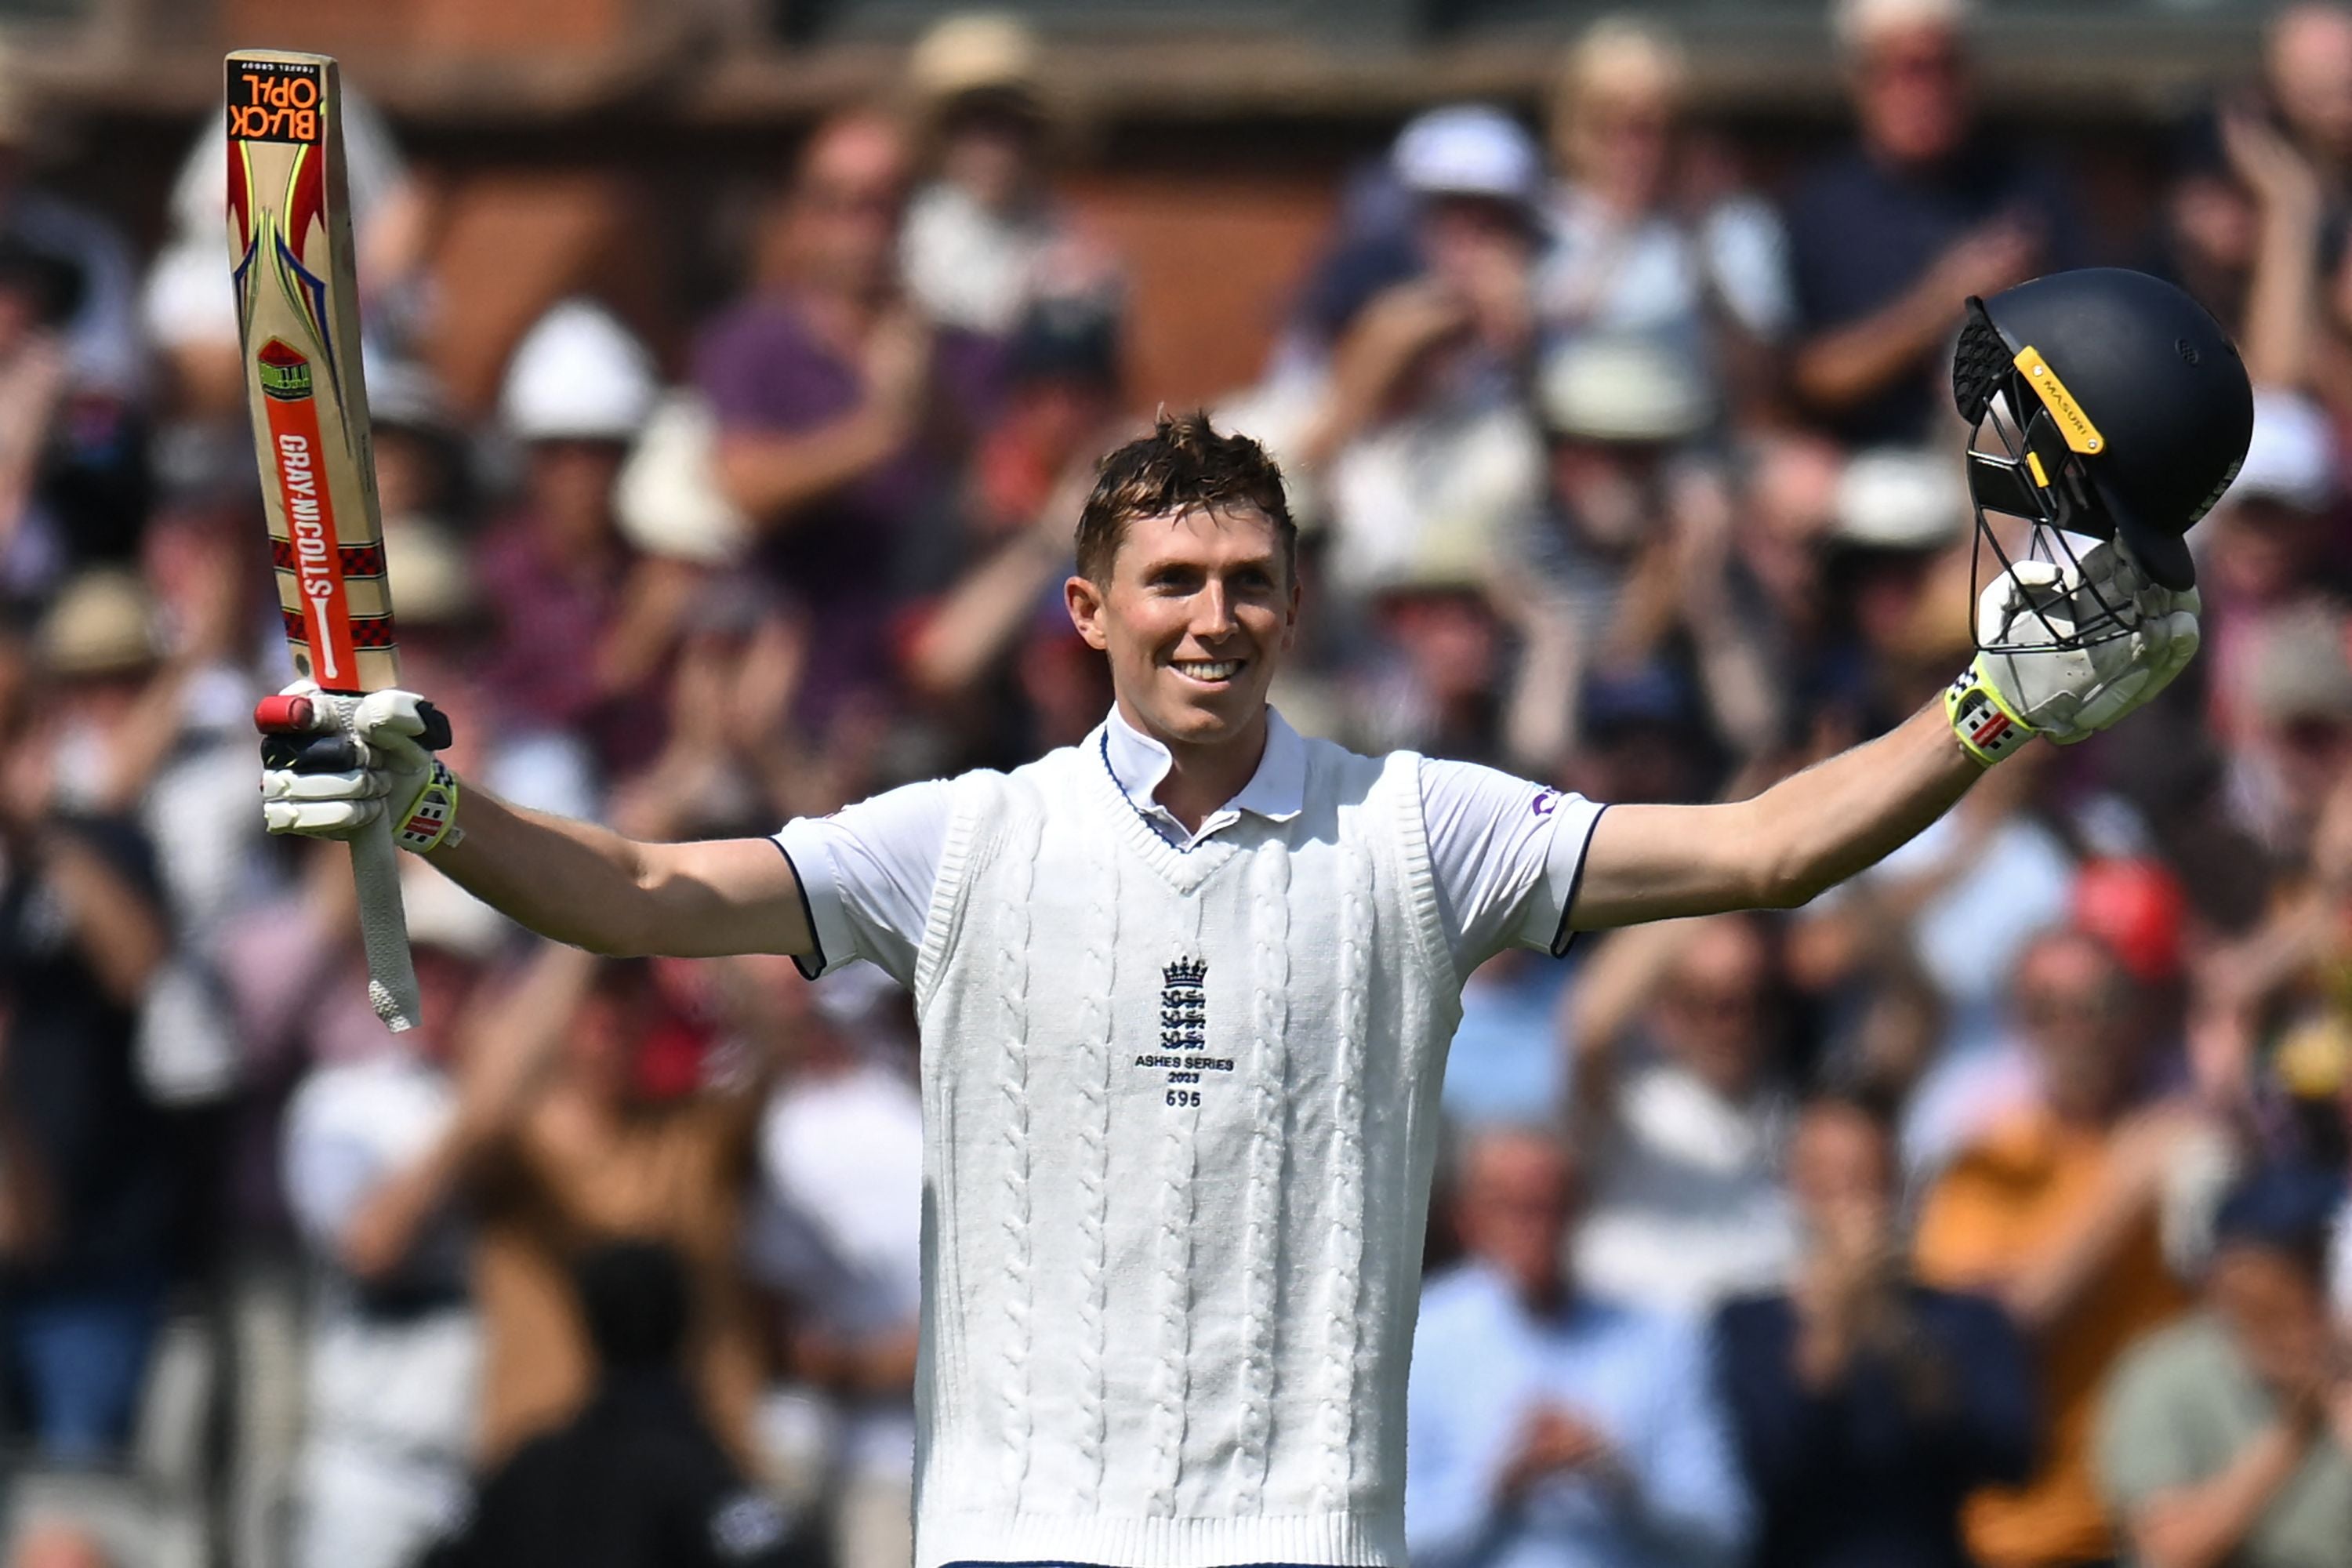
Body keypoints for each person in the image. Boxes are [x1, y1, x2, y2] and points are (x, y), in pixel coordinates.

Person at [260, 263, 2232, 1568]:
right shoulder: (965, 838)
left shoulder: (1417, 831)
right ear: (1088, 612)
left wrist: (1981, 710)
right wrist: (428, 797)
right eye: (1173, 576)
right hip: (1017, 1531)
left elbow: (1762, 848)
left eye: (1249, 578)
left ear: (1293, 602)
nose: (1212, 613)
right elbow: (635, 891)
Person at [1911, 927, 2210, 1568]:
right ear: (2018, 1024)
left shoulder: (2183, 1138)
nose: (2073, 1027)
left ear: (2131, 1013)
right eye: (2045, 1009)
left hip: (2177, 1519)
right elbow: (1982, 1336)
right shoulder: (1986, 1165)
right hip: (2038, 1534)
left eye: (2093, 1004)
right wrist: (2120, 1193)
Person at [1406, 1123, 1750, 1568]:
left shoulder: (1661, 1338)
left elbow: (1725, 1536)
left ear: (1580, 1211)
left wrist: (1625, 1483)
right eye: (1515, 1209)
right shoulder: (1421, 1340)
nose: (1538, 1228)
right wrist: (1496, 1489)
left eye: (1554, 1206)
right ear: (1469, 1220)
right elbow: (1385, 1537)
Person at [1715, 1095, 2035, 1568]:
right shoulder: (1747, 1325)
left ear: (1898, 1185)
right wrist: (1836, 1323)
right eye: (1827, 1178)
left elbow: (2008, 1455)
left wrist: (1889, 1321)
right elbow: (1770, 1469)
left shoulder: (1967, 1317)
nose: (1848, 1199)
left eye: (1865, 1178)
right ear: (1794, 1184)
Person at [1784, 0, 2078, 445]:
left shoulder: (2024, 189)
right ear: (1861, 80)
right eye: (1907, 69)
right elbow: (1812, 379)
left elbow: (2087, 326)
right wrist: (1942, 300)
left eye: (1945, 67)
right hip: (1870, 456)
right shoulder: (1824, 207)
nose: (1928, 90)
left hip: (2021, 438)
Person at [422, 1240, 800, 1568]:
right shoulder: (697, 1470)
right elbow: (773, 1559)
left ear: (585, 1326)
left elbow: (443, 1555)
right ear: (685, 1324)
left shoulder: (524, 1468)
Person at [2096, 1165, 2352, 1568]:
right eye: (2294, 1252)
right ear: (2229, 1275)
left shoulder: (2342, 1359)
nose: (2309, 1271)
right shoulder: (2165, 1374)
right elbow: (2167, 1553)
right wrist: (2294, 1433)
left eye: (2318, 1252)